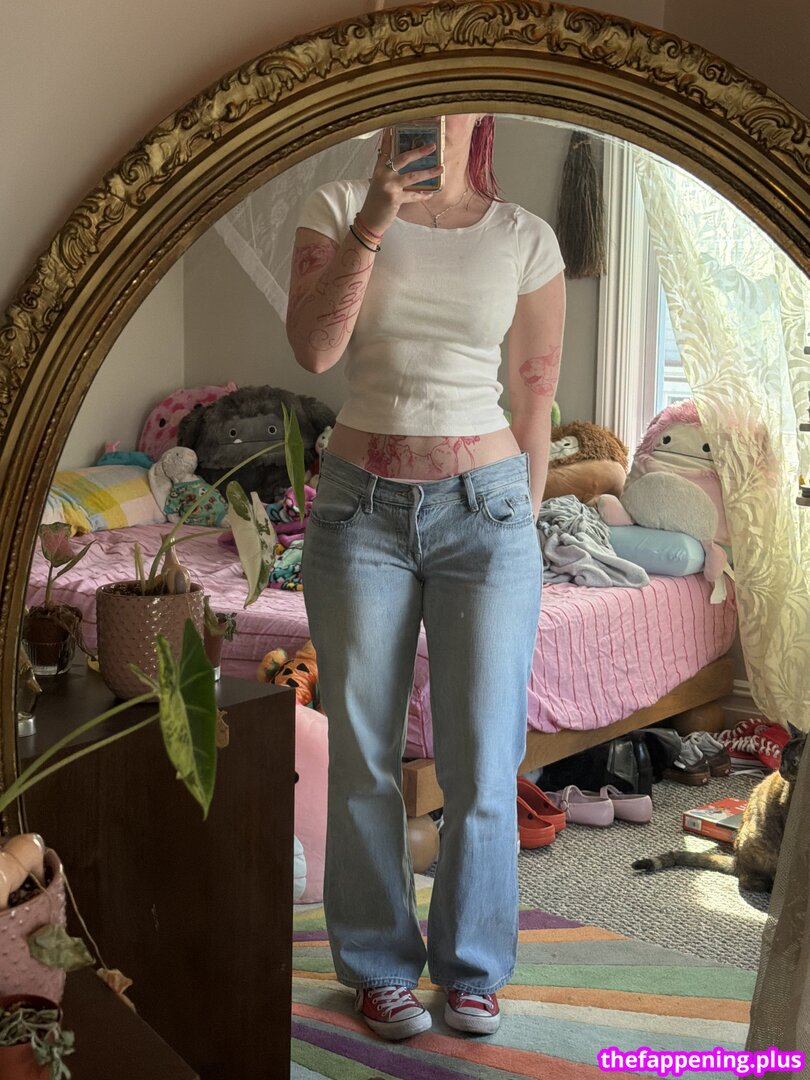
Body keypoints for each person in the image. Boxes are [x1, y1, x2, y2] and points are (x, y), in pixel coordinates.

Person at [286, 114, 565, 1040]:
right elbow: (315, 352)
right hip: (357, 510)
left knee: (482, 758)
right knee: (364, 753)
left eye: (455, 98)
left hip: (486, 511)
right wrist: (375, 215)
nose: (434, 115)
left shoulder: (524, 236)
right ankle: (376, 967)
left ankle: (474, 970)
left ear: (481, 113)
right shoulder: (336, 204)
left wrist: (524, 520)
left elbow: (535, 395)